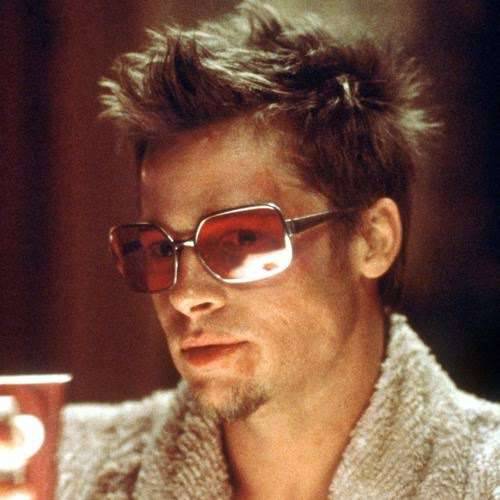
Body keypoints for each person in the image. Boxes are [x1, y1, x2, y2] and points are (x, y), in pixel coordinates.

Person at [56, 2, 500, 498]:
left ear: (373, 240)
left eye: (243, 239)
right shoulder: (59, 470)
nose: (185, 296)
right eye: (160, 250)